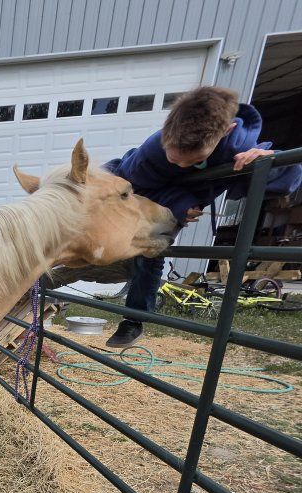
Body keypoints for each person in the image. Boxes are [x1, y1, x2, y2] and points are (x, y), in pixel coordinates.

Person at [102, 86, 302, 347]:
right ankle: (128, 312)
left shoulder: (237, 144)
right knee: (135, 237)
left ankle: (133, 319)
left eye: (192, 160)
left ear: (226, 131)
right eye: (175, 159)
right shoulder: (151, 153)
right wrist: (180, 203)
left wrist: (269, 162)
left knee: (151, 249)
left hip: (185, 193)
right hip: (138, 184)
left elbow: (289, 181)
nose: (183, 165)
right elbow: (135, 191)